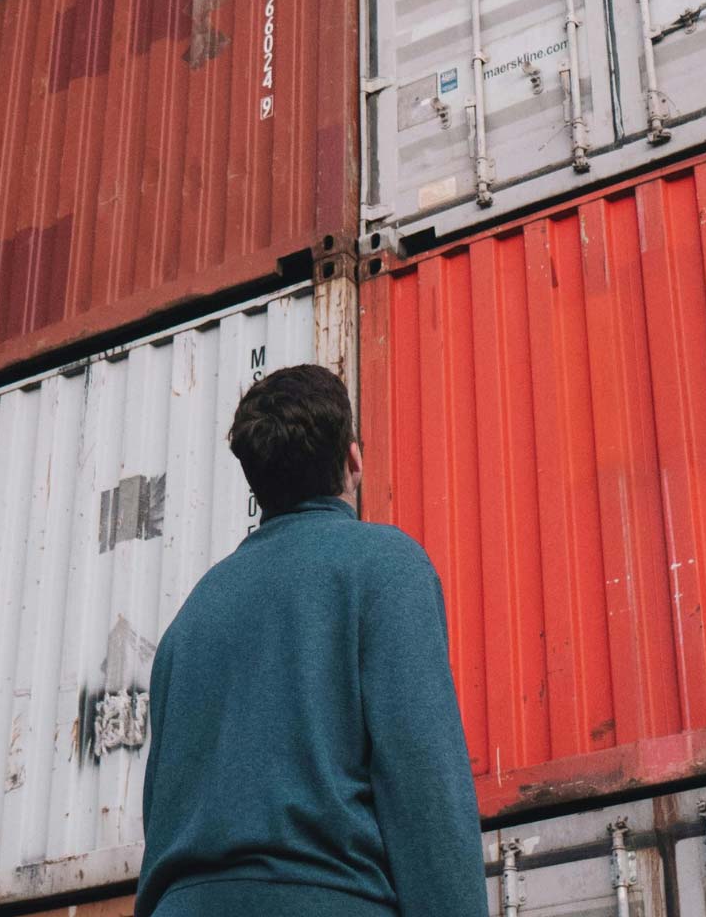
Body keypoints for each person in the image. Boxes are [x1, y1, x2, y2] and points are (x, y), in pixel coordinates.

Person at [136, 364, 486, 917]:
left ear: (256, 483)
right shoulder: (384, 566)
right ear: (353, 460)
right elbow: (427, 792)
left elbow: (160, 820)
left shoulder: (189, 621)